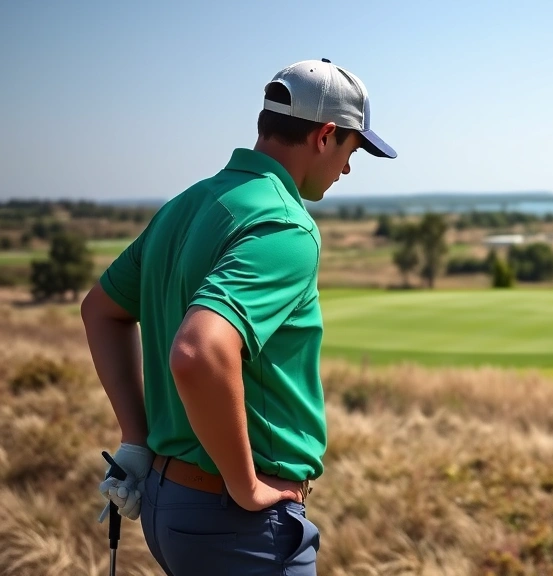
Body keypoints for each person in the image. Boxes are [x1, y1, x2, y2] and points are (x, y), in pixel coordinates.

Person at [80, 58, 397, 574]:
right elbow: (198, 351)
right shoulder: (285, 225)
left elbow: (101, 310)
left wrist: (135, 440)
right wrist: (246, 486)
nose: (346, 169)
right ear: (324, 135)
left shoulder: (186, 204)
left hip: (169, 504)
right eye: (351, 149)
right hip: (235, 523)